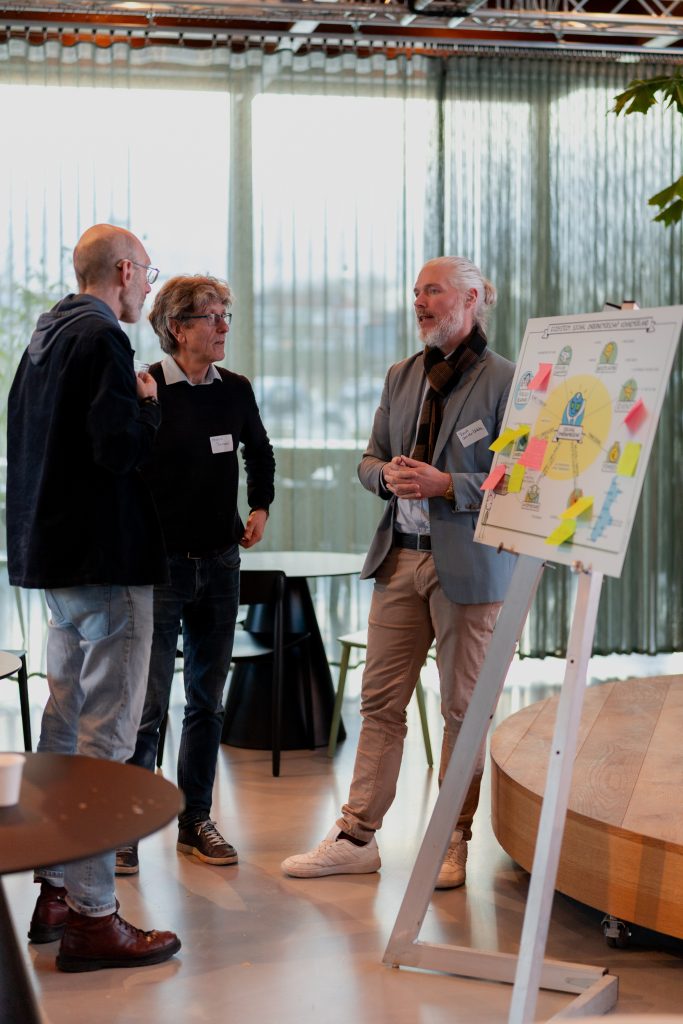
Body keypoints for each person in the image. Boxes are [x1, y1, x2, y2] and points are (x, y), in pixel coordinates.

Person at [282, 256, 516, 887]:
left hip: (470, 567)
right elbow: (368, 458)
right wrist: (381, 477)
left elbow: (523, 479)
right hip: (400, 558)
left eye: (432, 291)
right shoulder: (400, 376)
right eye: (416, 292)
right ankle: (357, 835)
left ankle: (451, 840)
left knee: (465, 711)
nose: (419, 302)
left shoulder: (508, 382)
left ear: (470, 300)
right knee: (380, 702)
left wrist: (450, 484)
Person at [6, 223, 181, 971]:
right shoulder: (104, 338)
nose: (147, 286)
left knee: (64, 722)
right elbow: (117, 450)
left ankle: (54, 887)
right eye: (146, 273)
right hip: (107, 564)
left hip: (56, 564)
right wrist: (146, 405)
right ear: (123, 270)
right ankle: (92, 916)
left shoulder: (42, 338)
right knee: (106, 742)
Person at [115, 274, 275, 877]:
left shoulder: (235, 389)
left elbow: (258, 452)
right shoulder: (148, 389)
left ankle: (195, 821)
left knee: (207, 702)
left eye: (225, 316)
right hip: (161, 572)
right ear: (178, 328)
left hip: (221, 566)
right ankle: (128, 827)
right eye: (212, 318)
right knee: (148, 704)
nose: (223, 328)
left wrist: (260, 506)